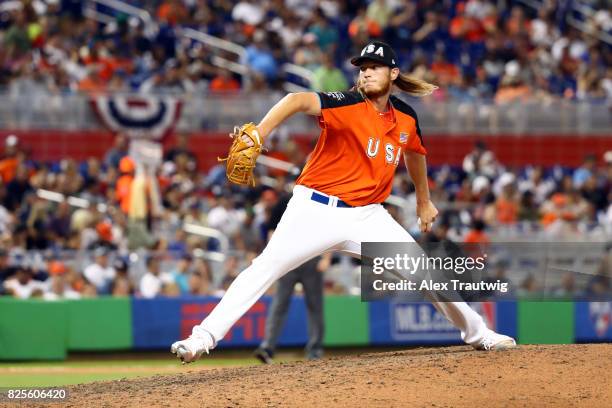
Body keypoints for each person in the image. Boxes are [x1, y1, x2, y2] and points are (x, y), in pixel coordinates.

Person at [172, 40, 516, 363]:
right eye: (362, 67)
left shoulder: (407, 118)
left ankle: (479, 333)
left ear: (393, 74)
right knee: (264, 268)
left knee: (425, 272)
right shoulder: (346, 103)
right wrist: (260, 133)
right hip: (315, 209)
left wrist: (423, 201)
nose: (366, 72)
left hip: (367, 216)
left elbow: (415, 154)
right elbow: (294, 100)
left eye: (375, 67)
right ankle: (202, 338)